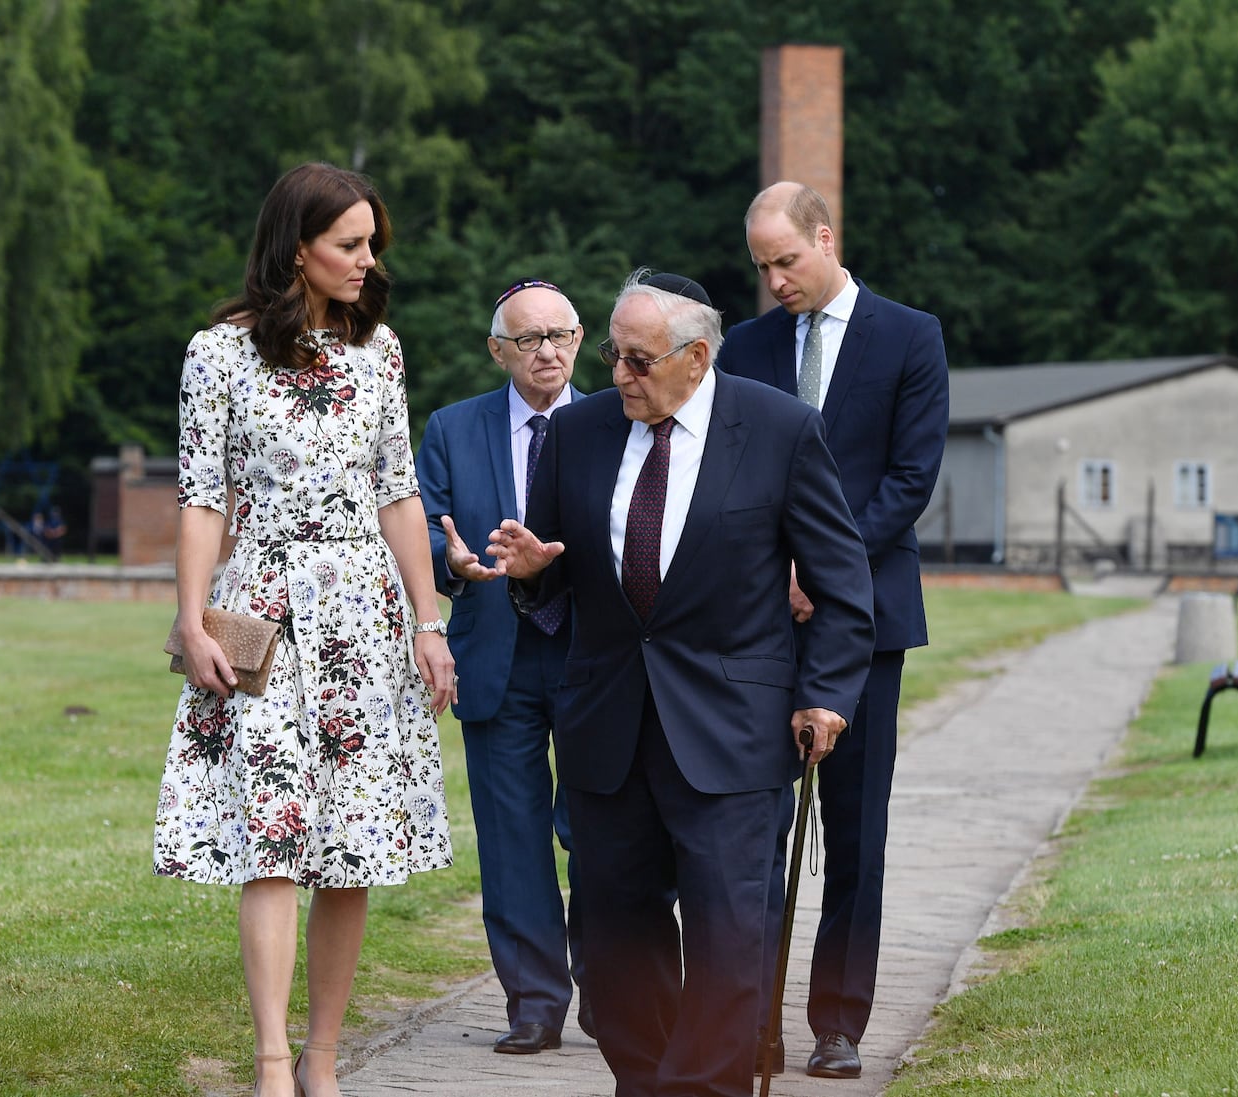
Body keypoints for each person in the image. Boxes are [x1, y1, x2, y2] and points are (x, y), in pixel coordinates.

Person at [485, 270, 875, 1097]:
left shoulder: (779, 430)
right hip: (608, 727)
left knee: (732, 929)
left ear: (695, 358)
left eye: (637, 360)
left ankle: (705, 1085)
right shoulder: (580, 434)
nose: (618, 375)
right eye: (613, 356)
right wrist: (529, 573)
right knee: (617, 936)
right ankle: (650, 1077)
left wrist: (826, 693)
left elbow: (843, 586)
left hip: (733, 727)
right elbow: (555, 575)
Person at [152, 161, 455, 1097]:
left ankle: (323, 1057)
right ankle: (273, 1062)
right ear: (297, 250)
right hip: (269, 615)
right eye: (350, 244)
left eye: (372, 245)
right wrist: (192, 617)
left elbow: (398, 492)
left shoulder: (383, 352)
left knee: (352, 844)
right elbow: (203, 498)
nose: (368, 261)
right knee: (275, 838)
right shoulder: (220, 354)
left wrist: (428, 620)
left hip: (367, 617)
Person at [716, 181, 949, 1080]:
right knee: (754, 828)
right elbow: (732, 472)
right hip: (762, 621)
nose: (775, 280)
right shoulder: (745, 347)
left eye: (786, 261)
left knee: (854, 830)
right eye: (761, 267)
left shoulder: (909, 336)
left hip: (867, 622)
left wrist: (823, 566)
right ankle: (751, 1017)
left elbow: (910, 478)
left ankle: (838, 1022)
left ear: (825, 238)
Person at [415, 278, 589, 1053]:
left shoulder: (617, 419)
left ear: (581, 339)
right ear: (498, 351)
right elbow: (419, 526)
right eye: (528, 339)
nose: (546, 351)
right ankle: (535, 1004)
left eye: (559, 334)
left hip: (597, 656)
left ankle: (614, 992)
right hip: (497, 654)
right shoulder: (454, 428)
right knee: (512, 837)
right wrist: (447, 562)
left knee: (601, 833)